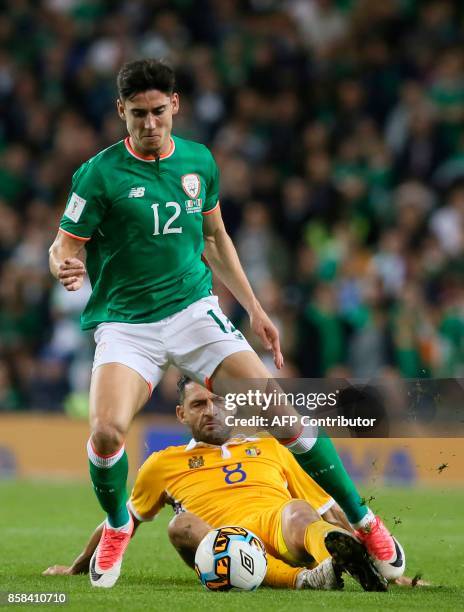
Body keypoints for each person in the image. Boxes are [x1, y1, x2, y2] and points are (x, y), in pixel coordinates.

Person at [48, 59, 403, 588]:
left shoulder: (199, 162)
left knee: (280, 411)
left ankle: (365, 522)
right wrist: (63, 266)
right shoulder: (97, 174)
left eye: (159, 112)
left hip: (194, 311)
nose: (150, 124)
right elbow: (63, 247)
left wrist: (256, 309)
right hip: (127, 323)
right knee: (104, 433)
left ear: (176, 106)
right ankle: (119, 525)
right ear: (121, 111)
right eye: (138, 114)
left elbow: (215, 238)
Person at [43, 378, 388, 592]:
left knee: (301, 511)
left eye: (218, 400)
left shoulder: (271, 445)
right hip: (225, 543)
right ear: (181, 414)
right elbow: (123, 520)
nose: (211, 410)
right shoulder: (163, 463)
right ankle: (306, 579)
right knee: (181, 525)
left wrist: (383, 565)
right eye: (199, 404)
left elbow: (328, 509)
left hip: (280, 527)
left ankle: (338, 564)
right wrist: (78, 564)